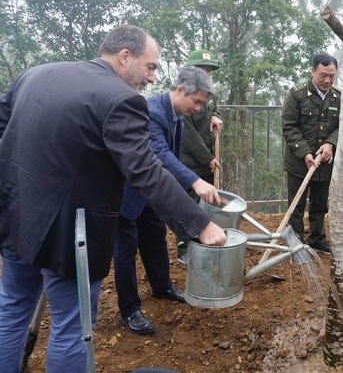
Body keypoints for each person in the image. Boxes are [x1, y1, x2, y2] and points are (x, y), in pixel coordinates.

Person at [0, 25, 226, 373]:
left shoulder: (36, 74)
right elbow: (146, 170)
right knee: (72, 328)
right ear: (125, 57)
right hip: (67, 232)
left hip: (16, 213)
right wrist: (200, 223)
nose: (152, 79)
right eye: (150, 67)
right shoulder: (122, 99)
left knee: (13, 308)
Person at [115, 66, 220, 335]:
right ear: (181, 90)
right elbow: (159, 153)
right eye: (196, 102)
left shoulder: (177, 115)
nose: (197, 108)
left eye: (202, 104)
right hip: (126, 193)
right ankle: (129, 310)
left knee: (155, 238)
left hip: (150, 193)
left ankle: (161, 287)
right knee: (125, 253)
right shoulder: (151, 111)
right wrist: (194, 181)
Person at [281, 53, 341, 255]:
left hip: (325, 162)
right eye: (323, 75)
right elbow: (289, 127)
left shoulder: (338, 97)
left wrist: (331, 143)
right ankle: (295, 244)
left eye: (332, 76)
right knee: (296, 206)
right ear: (313, 71)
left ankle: (317, 238)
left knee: (320, 204)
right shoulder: (296, 94)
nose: (327, 81)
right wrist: (305, 152)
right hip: (300, 162)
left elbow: (341, 126)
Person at [176, 49, 223, 263]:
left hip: (206, 158)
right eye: (204, 70)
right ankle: (184, 247)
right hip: (190, 160)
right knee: (189, 203)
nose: (208, 74)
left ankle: (204, 240)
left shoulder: (207, 92)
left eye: (210, 71)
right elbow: (187, 134)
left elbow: (214, 108)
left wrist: (215, 116)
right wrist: (207, 157)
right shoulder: (183, 95)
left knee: (206, 201)